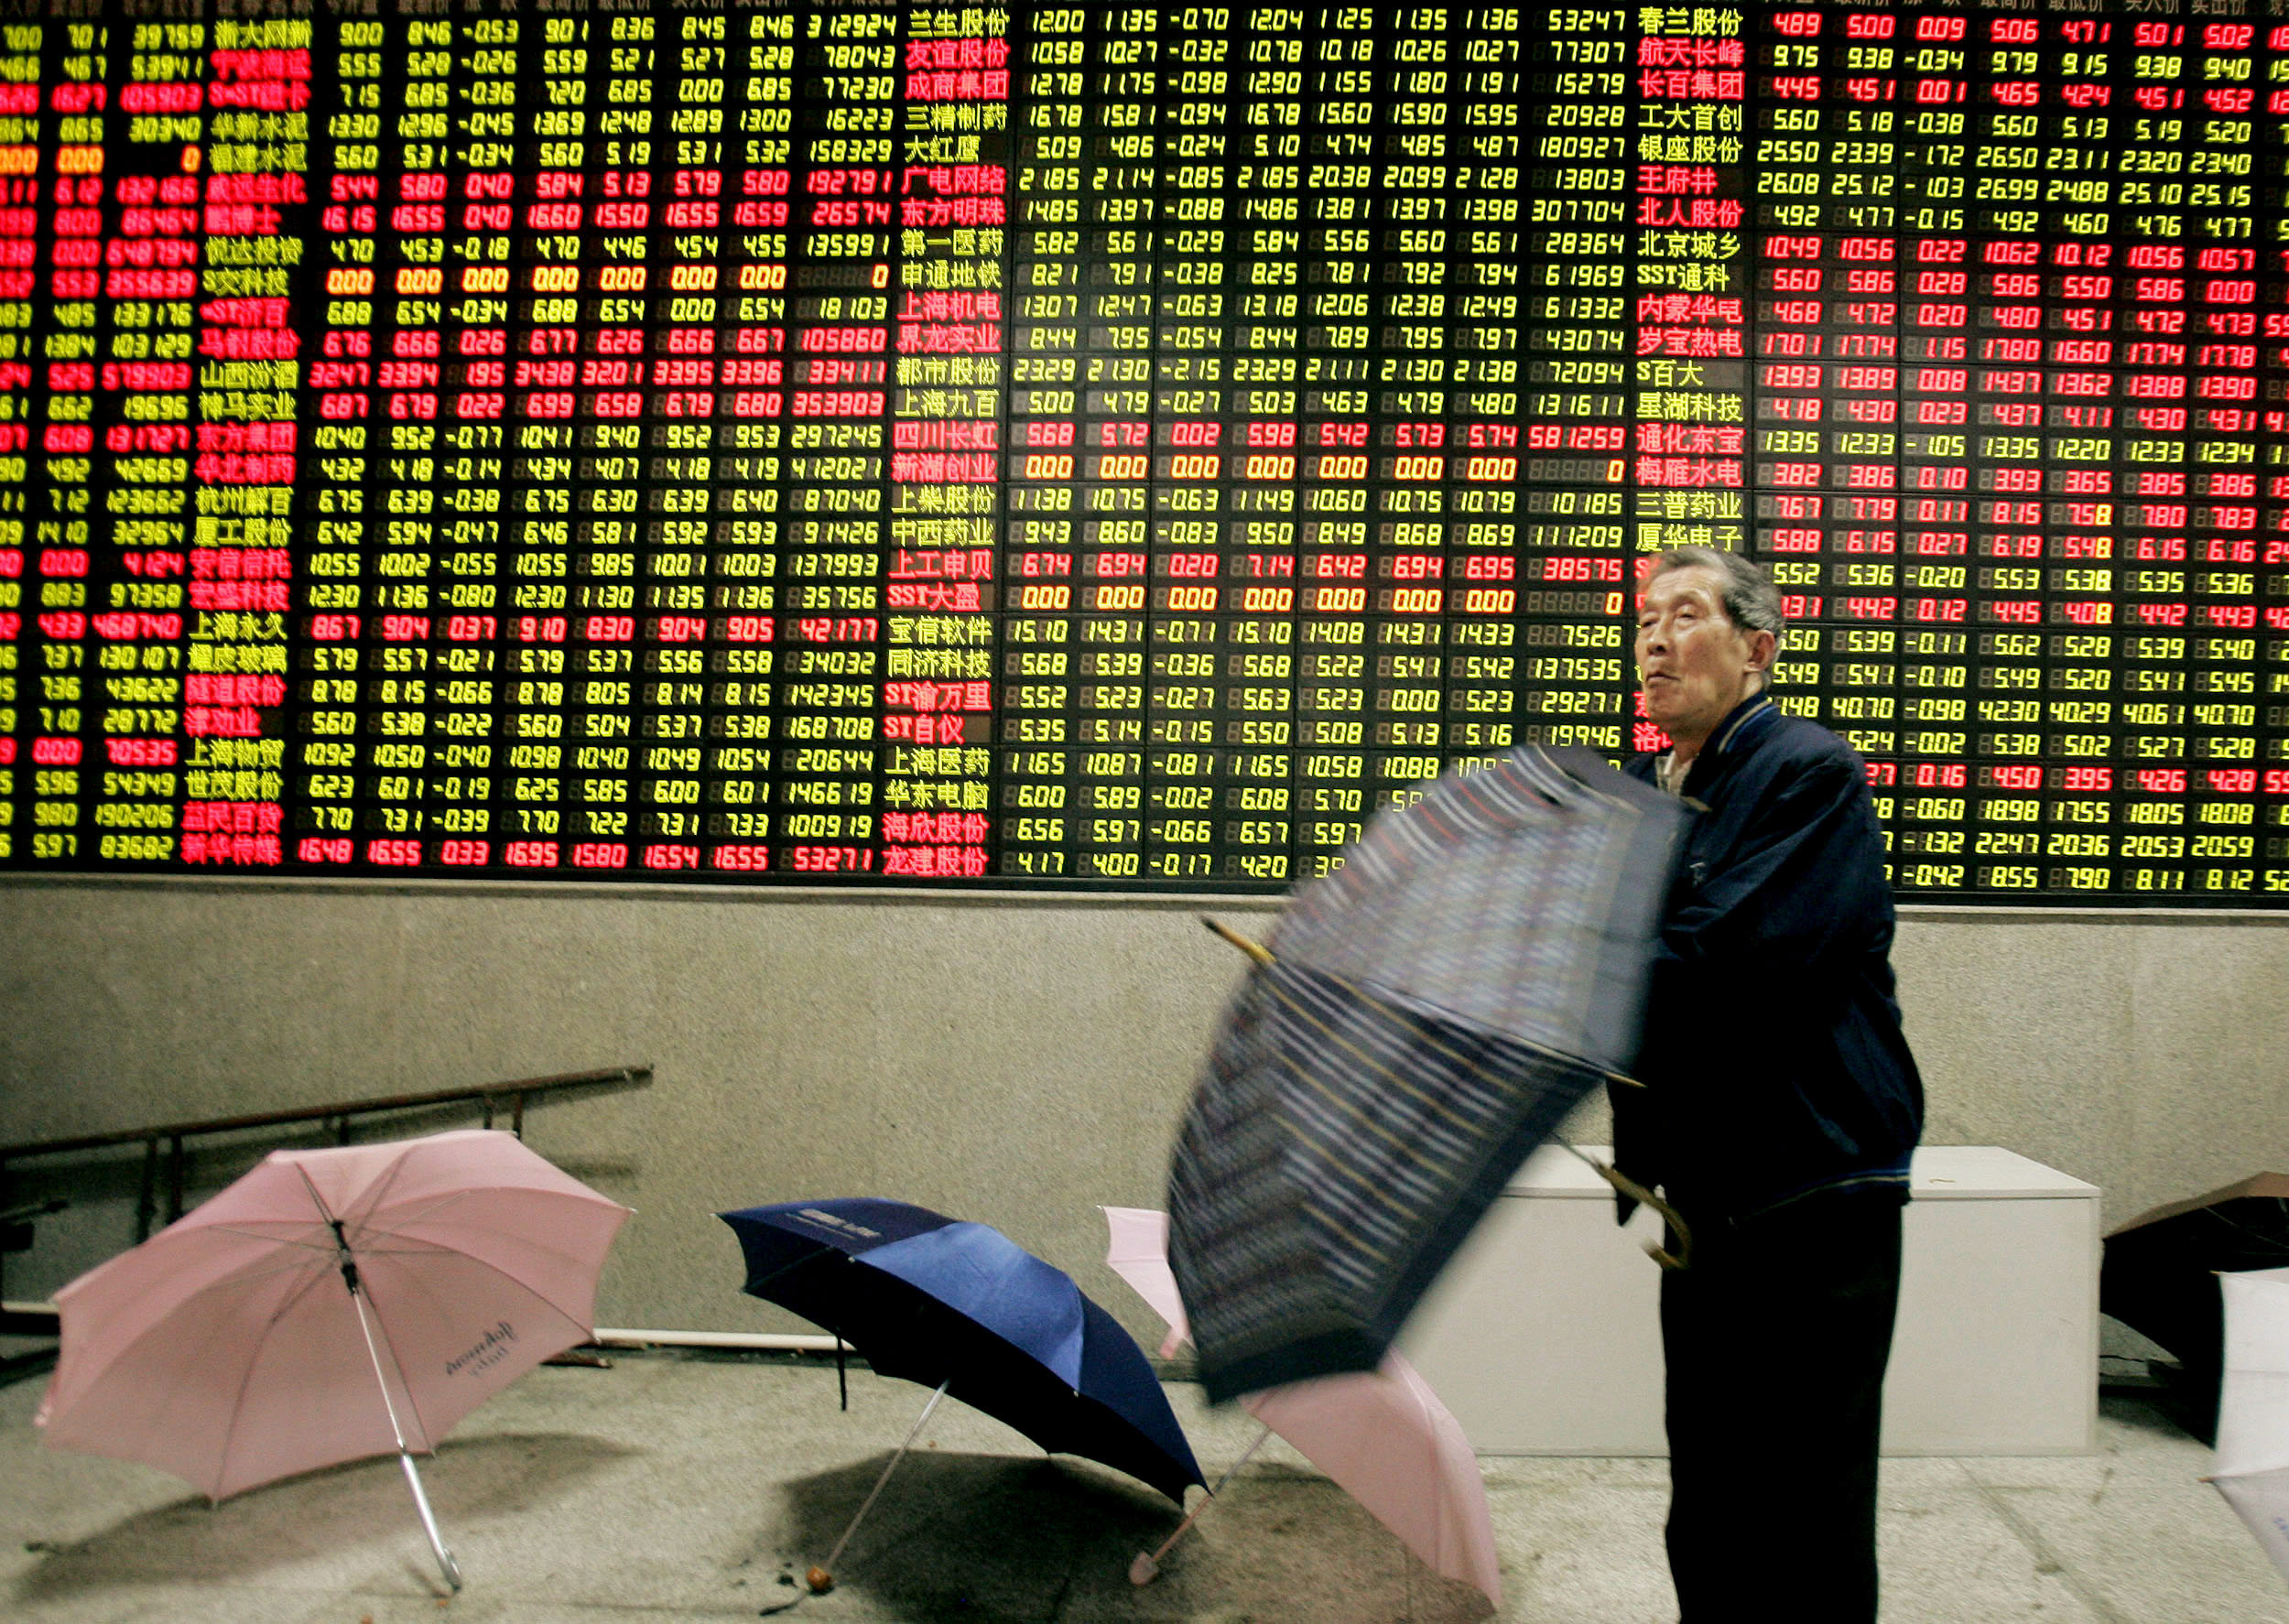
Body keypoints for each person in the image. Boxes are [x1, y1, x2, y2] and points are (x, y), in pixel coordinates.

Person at [1618, 546, 1925, 1622]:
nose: (1653, 638)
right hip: (1705, 1191)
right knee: (1709, 1483)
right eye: (1645, 618)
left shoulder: (1805, 772)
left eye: (1684, 614)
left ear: (1756, 647)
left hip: (1809, 1190)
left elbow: (1729, 964)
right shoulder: (1660, 792)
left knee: (1804, 1497)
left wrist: (1555, 971)